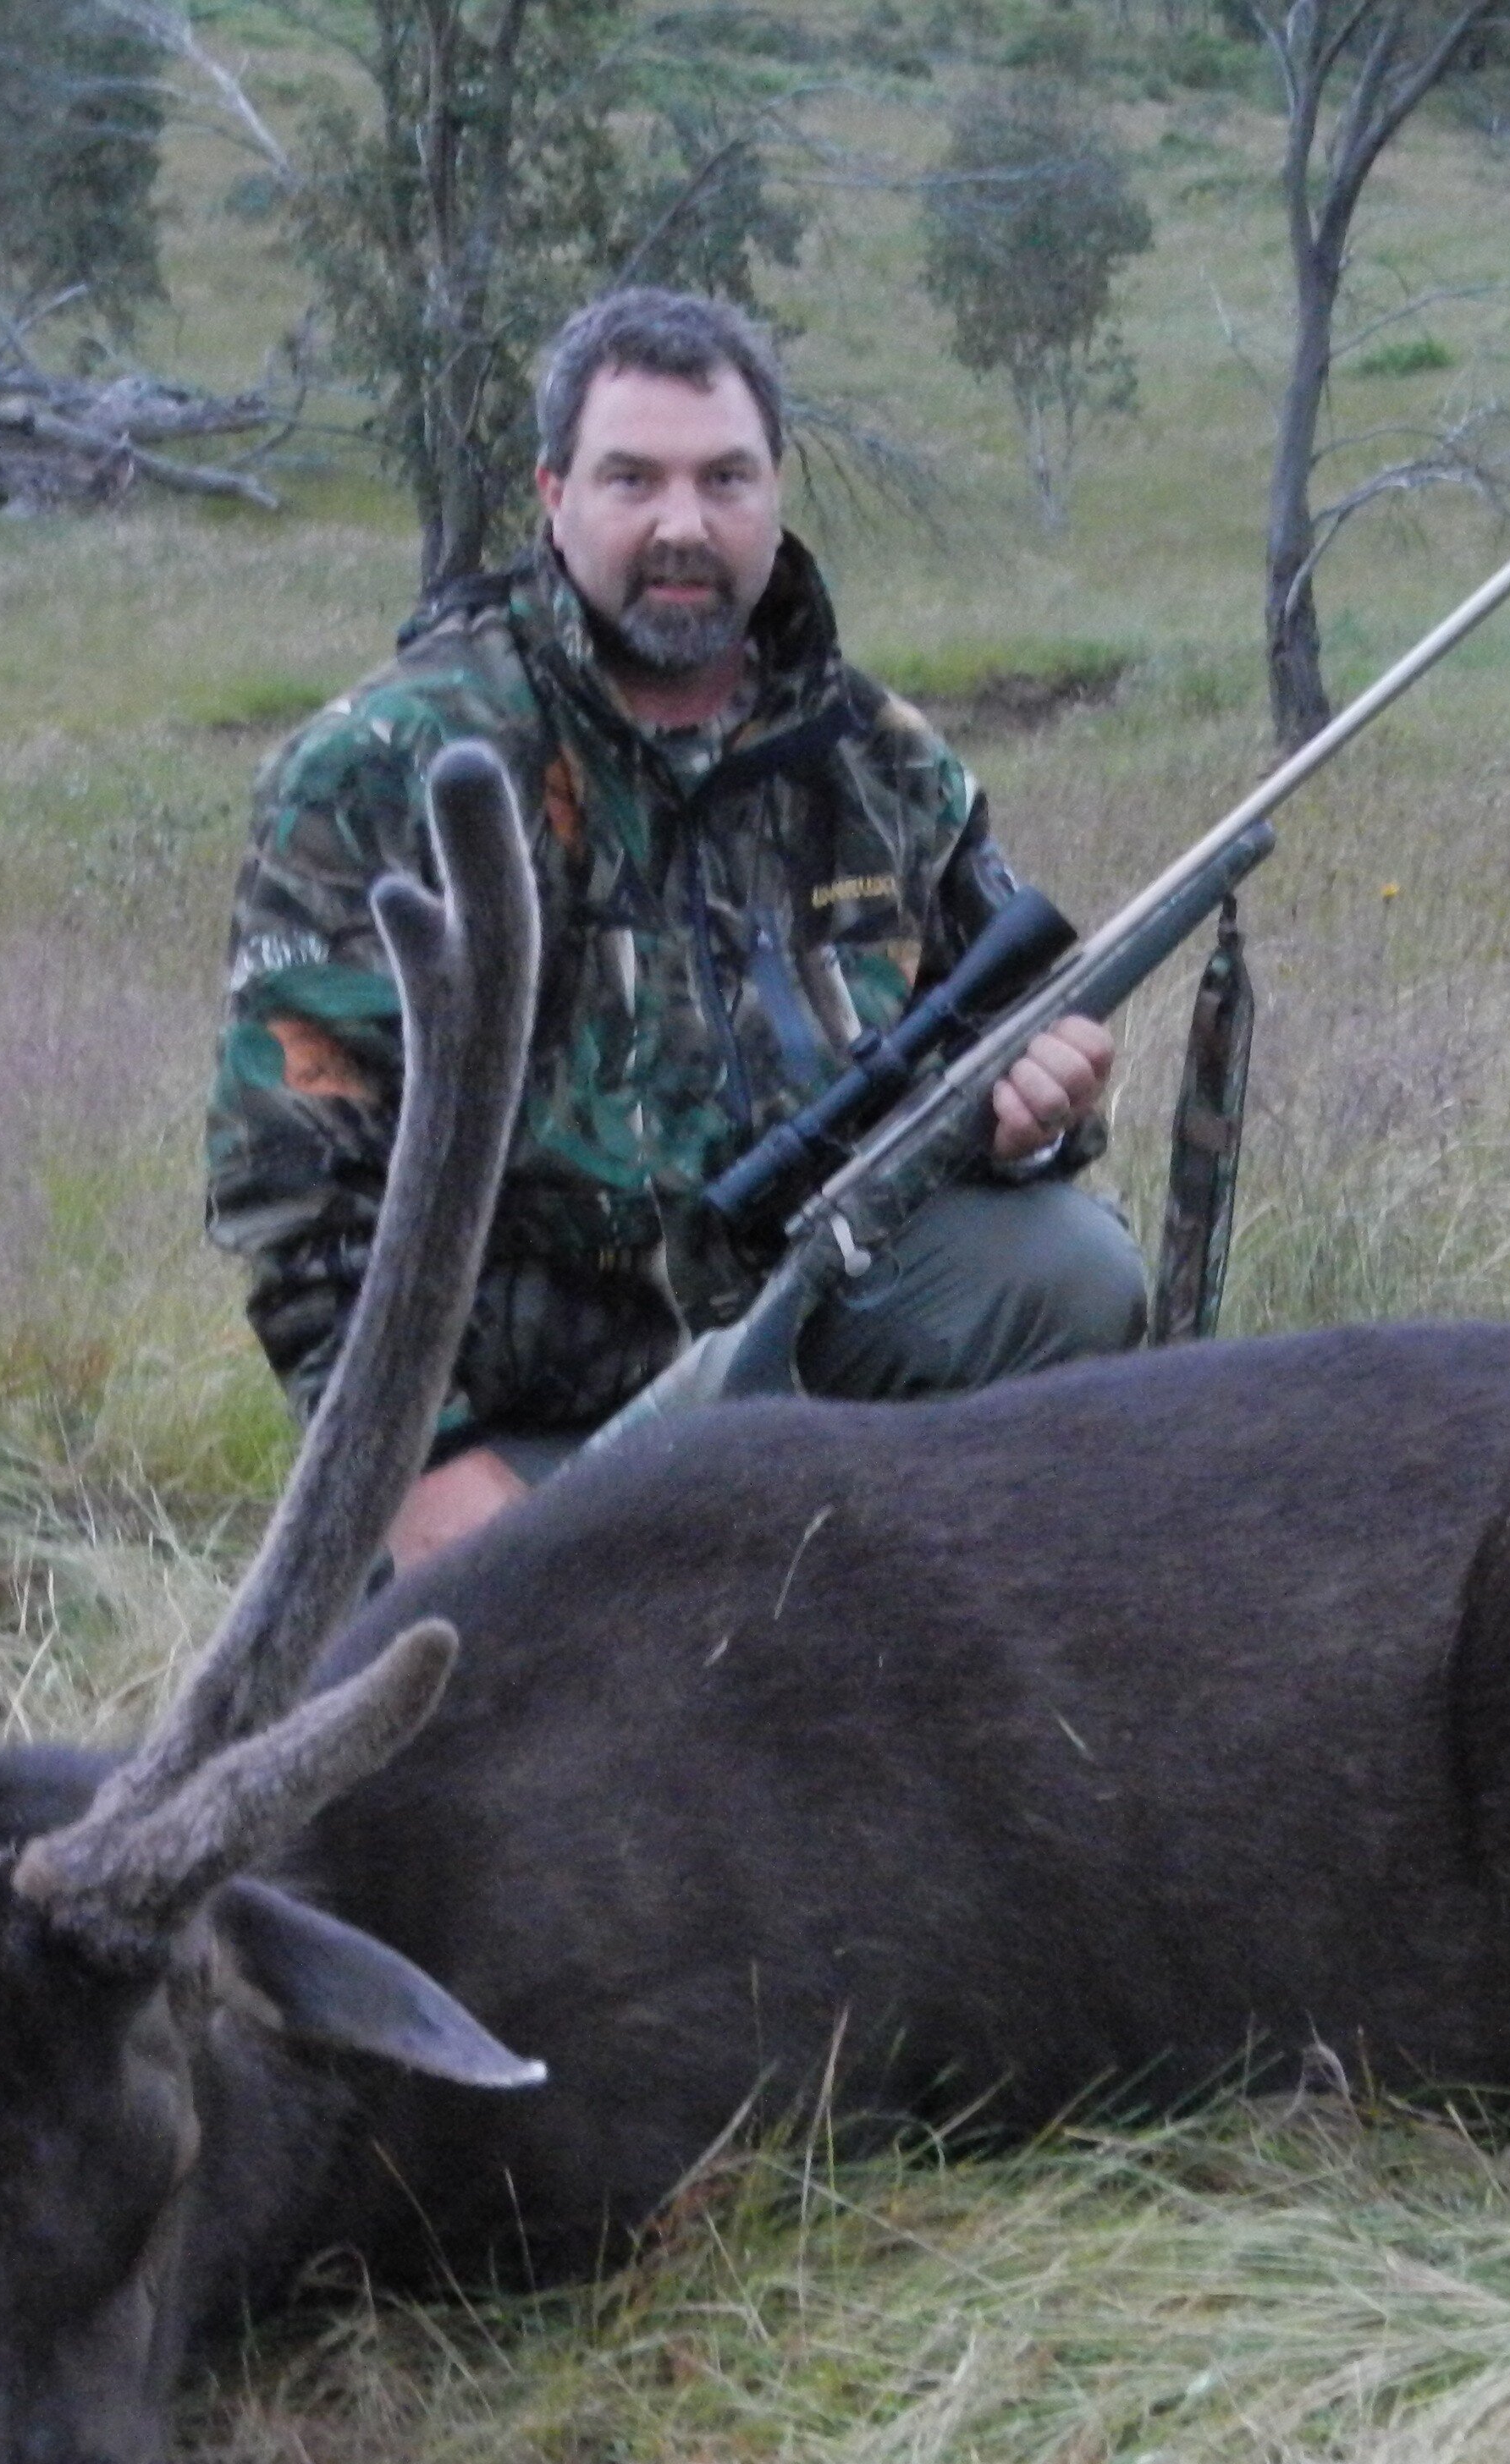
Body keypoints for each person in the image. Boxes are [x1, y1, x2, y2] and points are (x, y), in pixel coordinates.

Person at [207, 287, 1149, 1571]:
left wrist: (1047, 1116)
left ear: (776, 491)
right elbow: (291, 1192)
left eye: (725, 479)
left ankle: (926, 1626)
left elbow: (1003, 1051)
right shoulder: (379, 769)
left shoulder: (884, 762)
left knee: (1069, 1271)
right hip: (524, 1423)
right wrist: (423, 1468)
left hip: (804, 1338)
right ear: (552, 493)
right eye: (632, 479)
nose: (683, 527)